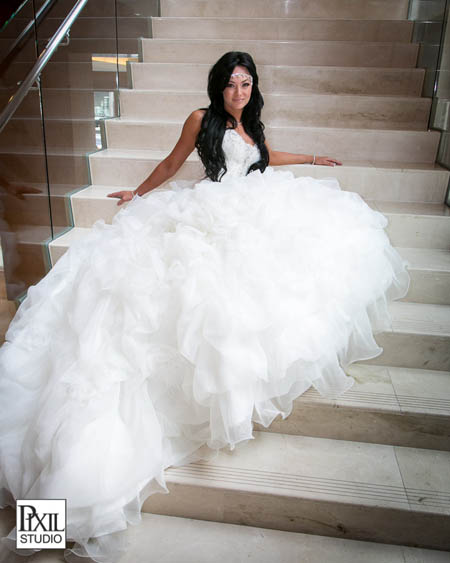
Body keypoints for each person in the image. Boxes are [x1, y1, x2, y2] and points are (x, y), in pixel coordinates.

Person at [0, 51, 410, 563]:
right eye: (232, 83)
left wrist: (310, 158)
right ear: (219, 87)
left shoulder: (251, 125)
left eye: (247, 83)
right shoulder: (202, 119)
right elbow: (174, 163)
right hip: (207, 213)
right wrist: (139, 192)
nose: (239, 90)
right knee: (135, 335)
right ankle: (51, 519)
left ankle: (54, 517)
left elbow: (264, 156)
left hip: (246, 216)